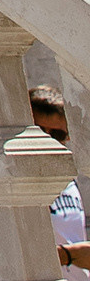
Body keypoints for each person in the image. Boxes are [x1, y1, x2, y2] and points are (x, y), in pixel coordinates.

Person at [29, 84, 90, 270]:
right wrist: (68, 256)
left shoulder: (70, 177)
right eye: (39, 131)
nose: (48, 142)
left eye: (57, 134)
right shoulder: (10, 186)